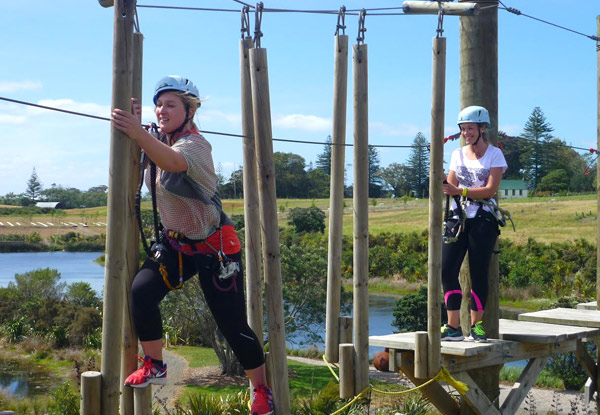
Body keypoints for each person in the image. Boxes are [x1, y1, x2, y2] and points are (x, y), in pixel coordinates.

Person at [111, 75, 273, 415]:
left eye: (171, 105)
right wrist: (138, 124)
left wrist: (138, 132)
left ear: (190, 111)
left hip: (214, 248)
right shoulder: (157, 139)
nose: (162, 110)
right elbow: (148, 152)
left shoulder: (195, 146)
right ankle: (155, 362)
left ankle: (260, 389)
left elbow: (171, 162)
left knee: (232, 325)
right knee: (142, 292)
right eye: (160, 105)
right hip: (177, 246)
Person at [440, 105, 507, 343]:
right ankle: (453, 326)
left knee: (479, 272)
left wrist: (461, 190)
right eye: (463, 129)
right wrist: (447, 186)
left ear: (482, 128)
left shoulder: (494, 155)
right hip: (458, 218)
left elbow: (490, 189)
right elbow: (451, 186)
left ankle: (477, 326)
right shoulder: (457, 154)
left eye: (470, 128)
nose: (466, 133)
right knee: (447, 269)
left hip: (482, 220)